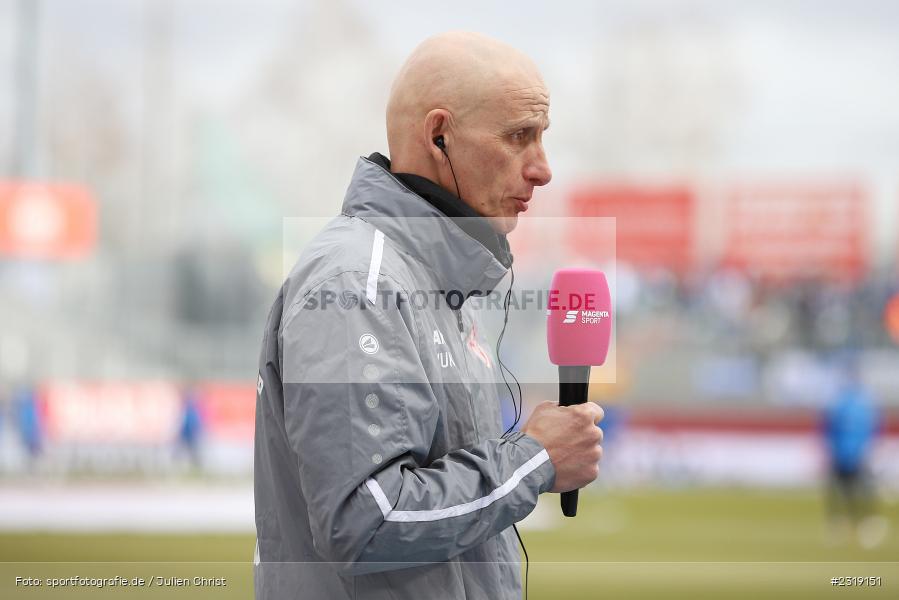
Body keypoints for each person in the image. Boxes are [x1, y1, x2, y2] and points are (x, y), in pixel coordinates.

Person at [253, 31, 605, 599]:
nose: (542, 169)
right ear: (439, 136)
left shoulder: (443, 287)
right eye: (519, 136)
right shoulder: (358, 283)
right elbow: (364, 521)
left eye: (541, 138)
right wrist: (534, 459)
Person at [823, 361, 886, 548]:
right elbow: (830, 429)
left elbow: (873, 430)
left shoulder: (859, 403)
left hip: (857, 453)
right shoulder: (846, 403)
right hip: (845, 453)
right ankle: (843, 523)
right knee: (843, 490)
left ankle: (865, 522)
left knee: (860, 490)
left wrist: (871, 449)